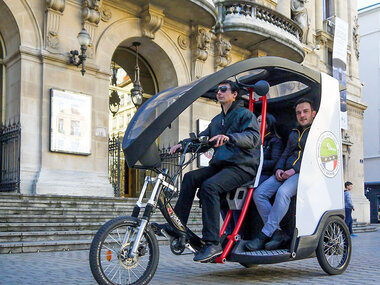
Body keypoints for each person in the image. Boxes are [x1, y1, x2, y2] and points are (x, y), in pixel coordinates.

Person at [156, 80, 261, 262]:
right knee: (189, 177)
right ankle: (176, 226)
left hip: (241, 167)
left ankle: (212, 243)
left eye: (223, 89)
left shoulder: (245, 114)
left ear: (234, 94)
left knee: (209, 187)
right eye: (218, 89)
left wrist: (230, 138)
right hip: (221, 166)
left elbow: (253, 137)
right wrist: (183, 145)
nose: (219, 92)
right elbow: (203, 140)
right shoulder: (217, 120)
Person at [246, 97, 316, 251]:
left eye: (305, 111)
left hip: (304, 174)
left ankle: (264, 235)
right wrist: (278, 169)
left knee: (283, 192)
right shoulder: (294, 133)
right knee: (259, 194)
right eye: (298, 113)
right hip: (286, 172)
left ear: (314, 113)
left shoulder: (317, 132)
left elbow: (312, 155)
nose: (302, 115)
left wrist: (294, 170)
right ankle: (277, 232)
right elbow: (285, 154)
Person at [257, 113, 284, 185]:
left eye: (259, 121)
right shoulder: (255, 140)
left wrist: (256, 164)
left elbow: (275, 161)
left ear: (268, 124)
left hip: (266, 174)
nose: (256, 124)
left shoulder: (275, 141)